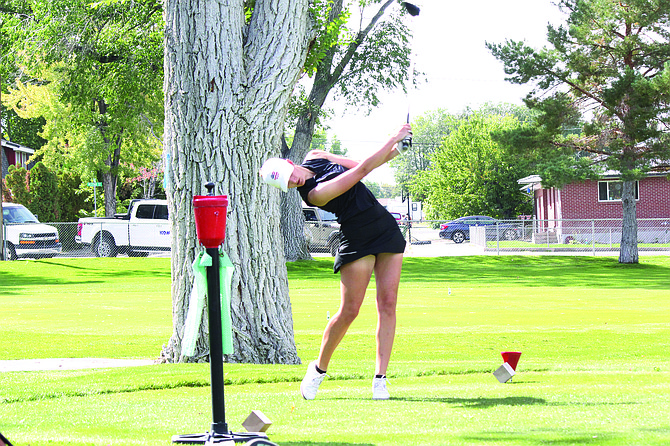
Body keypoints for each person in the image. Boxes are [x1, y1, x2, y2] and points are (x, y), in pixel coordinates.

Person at [260, 123, 412, 400]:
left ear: (290, 164)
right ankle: (318, 370)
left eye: (290, 176)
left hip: (385, 230)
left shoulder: (317, 155)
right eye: (288, 184)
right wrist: (392, 138)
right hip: (356, 240)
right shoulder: (314, 195)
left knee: (388, 303)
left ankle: (380, 379)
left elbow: (361, 164)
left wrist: (396, 150)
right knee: (350, 311)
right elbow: (362, 171)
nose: (293, 182)